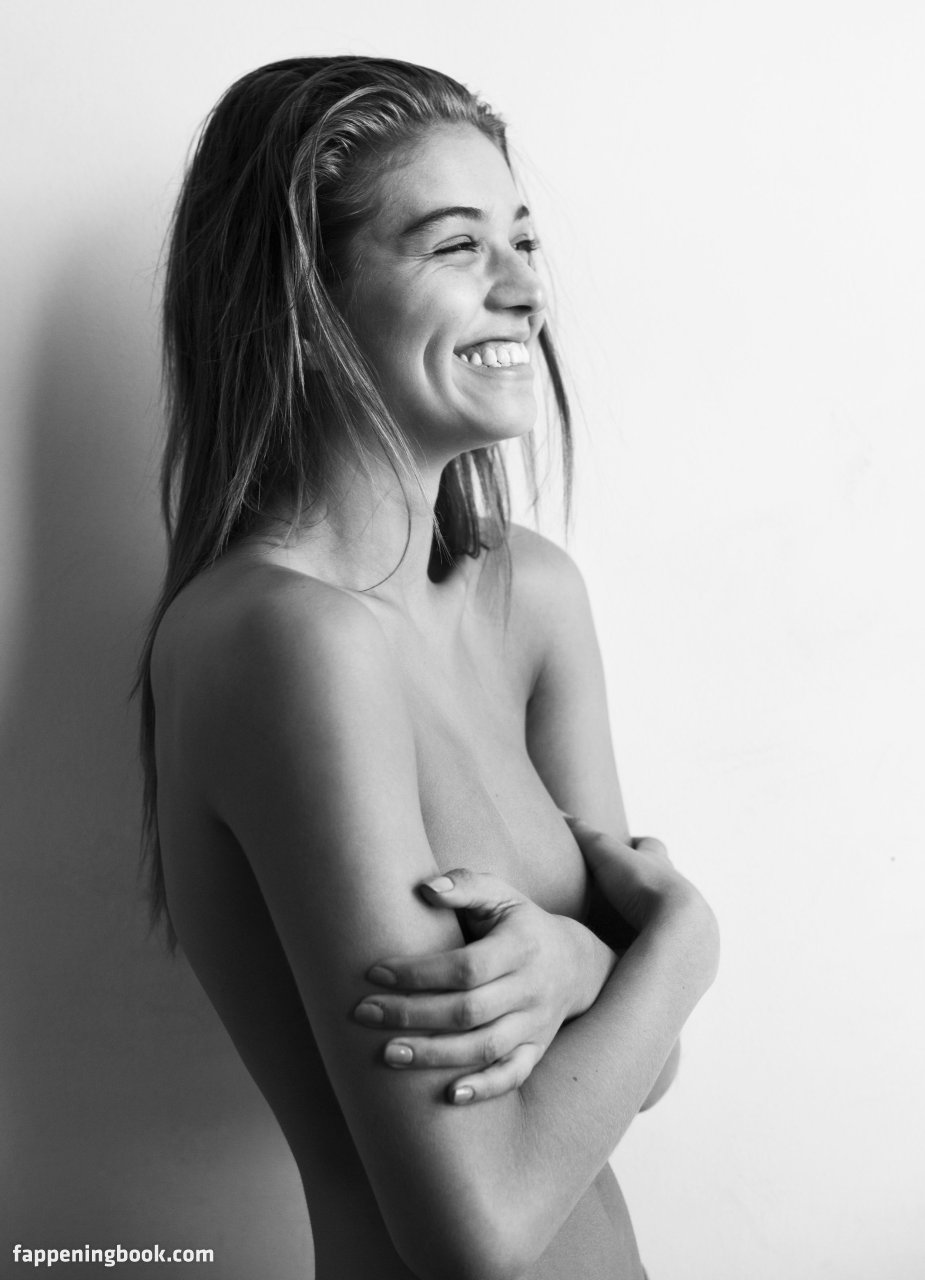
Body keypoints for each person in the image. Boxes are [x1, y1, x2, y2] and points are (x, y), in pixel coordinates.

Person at [136, 56, 719, 1280]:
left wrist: (581, 961)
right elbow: (476, 1230)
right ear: (305, 303)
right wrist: (683, 941)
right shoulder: (288, 640)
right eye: (457, 245)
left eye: (523, 239)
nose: (525, 288)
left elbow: (647, 1064)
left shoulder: (529, 595)